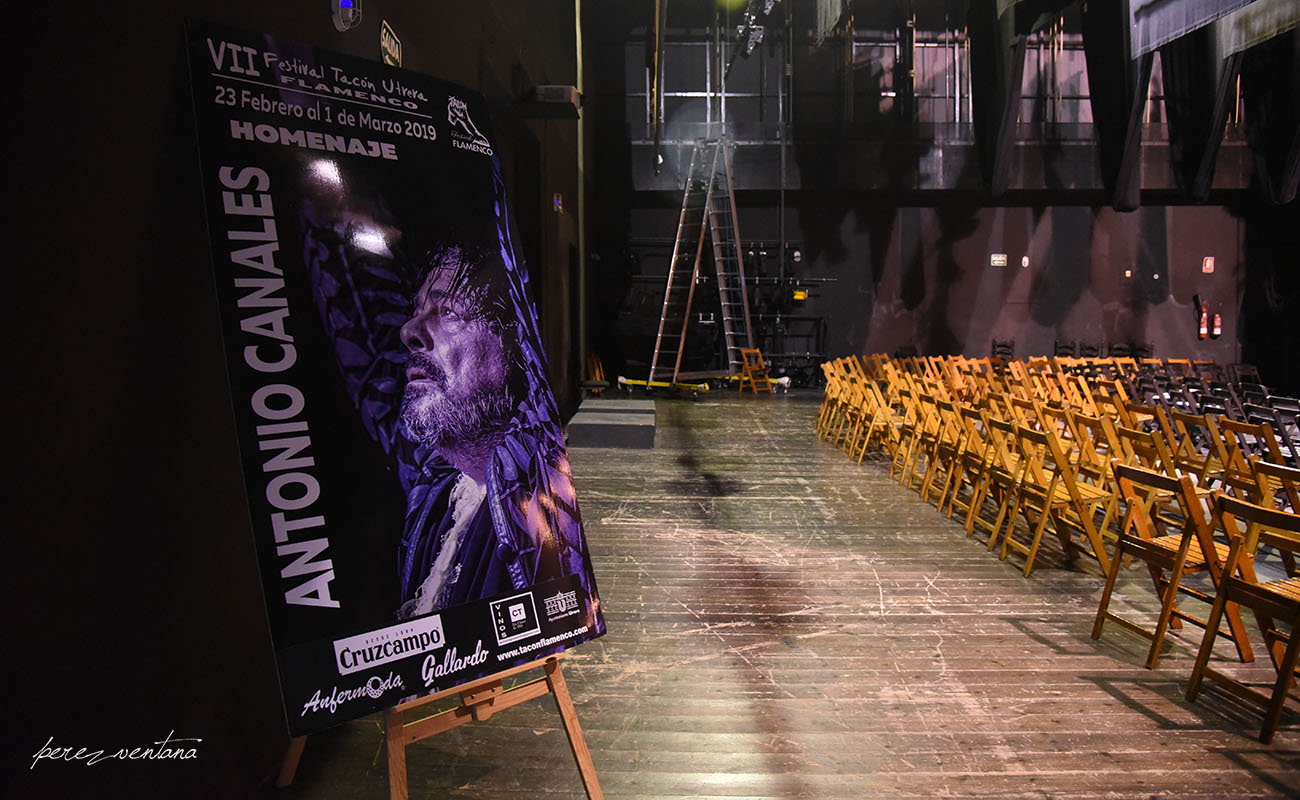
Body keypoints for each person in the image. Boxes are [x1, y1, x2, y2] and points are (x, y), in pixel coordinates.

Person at [300, 194, 598, 623]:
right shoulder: (436, 482)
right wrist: (323, 225)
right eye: (418, 310)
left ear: (514, 349)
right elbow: (367, 355)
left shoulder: (536, 502)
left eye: (449, 313)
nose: (409, 331)